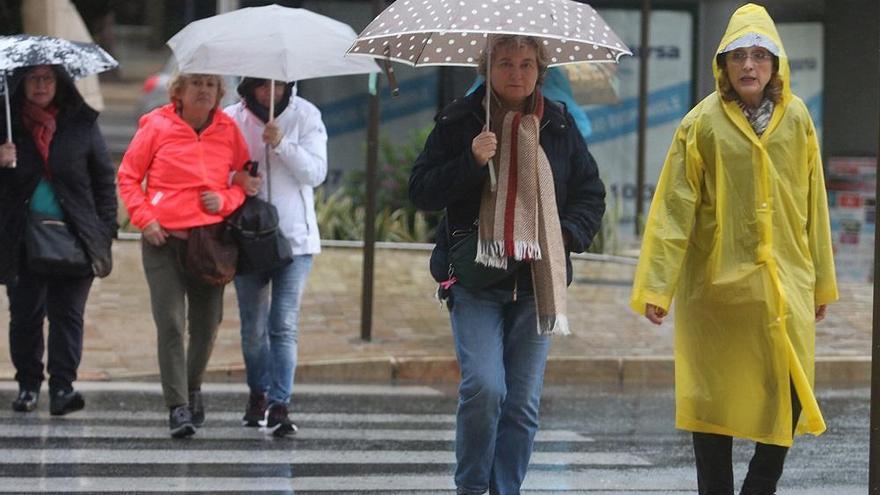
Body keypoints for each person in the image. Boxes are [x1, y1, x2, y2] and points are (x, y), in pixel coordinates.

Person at [629, 4, 838, 494]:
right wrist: (658, 286)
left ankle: (759, 485)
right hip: (717, 291)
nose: (749, 66)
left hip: (786, 284)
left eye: (760, 55)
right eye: (738, 55)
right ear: (722, 64)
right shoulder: (700, 124)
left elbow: (816, 202)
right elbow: (673, 210)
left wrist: (821, 282)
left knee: (790, 390)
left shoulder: (799, 119)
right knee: (713, 403)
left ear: (776, 64)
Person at [409, 35, 606, 494]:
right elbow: (421, 192)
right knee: (485, 389)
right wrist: (472, 160)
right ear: (486, 67)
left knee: (521, 405)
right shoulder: (460, 121)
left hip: (536, 284)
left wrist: (564, 235)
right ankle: (473, 488)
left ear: (540, 69)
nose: (516, 74)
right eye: (504, 64)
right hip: (475, 281)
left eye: (526, 63)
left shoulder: (558, 124)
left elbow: (589, 193)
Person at [118, 73, 258, 438]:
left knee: (207, 326)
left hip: (210, 242)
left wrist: (226, 199)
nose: (203, 91)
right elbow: (128, 177)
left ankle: (192, 386)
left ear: (219, 93)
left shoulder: (227, 129)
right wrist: (144, 219)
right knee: (171, 323)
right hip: (163, 240)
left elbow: (243, 180)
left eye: (210, 85)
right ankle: (177, 407)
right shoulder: (156, 126)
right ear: (178, 91)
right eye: (195, 83)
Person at [0, 64, 117, 416]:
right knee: (25, 315)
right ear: (20, 84)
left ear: (60, 83)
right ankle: (28, 387)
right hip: (22, 238)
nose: (40, 86)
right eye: (33, 79)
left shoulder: (81, 123)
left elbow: (103, 180)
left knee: (68, 315)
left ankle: (63, 387)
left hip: (76, 236)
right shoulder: (7, 125)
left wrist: (105, 230)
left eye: (47, 79)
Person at [224, 78, 327, 436]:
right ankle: (258, 392)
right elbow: (212, 170)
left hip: (294, 241)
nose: (270, 93)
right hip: (247, 239)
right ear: (248, 86)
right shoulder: (230, 120)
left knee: (283, 325)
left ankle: (280, 404)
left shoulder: (307, 115)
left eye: (278, 85)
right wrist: (236, 179)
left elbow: (315, 172)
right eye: (262, 85)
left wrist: (282, 143)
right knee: (253, 329)